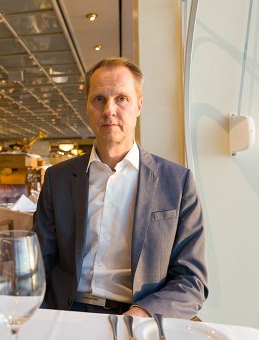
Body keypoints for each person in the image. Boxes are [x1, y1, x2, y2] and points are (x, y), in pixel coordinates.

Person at [34, 57, 208, 319]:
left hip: (138, 315)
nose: (109, 110)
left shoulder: (178, 182)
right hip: (66, 313)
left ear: (139, 105)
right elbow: (38, 264)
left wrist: (142, 313)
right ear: (87, 107)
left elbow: (192, 279)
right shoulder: (57, 179)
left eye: (122, 99)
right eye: (99, 99)